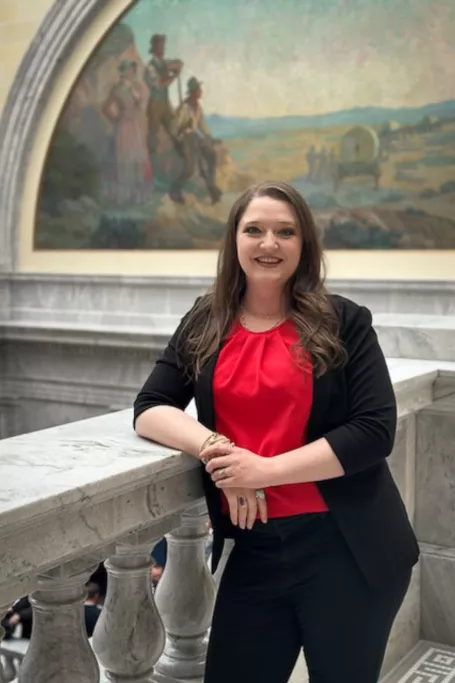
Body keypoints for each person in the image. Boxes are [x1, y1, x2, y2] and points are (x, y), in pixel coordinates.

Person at [133, 180, 419, 683]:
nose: (269, 243)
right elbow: (151, 406)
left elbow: (374, 431)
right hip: (255, 549)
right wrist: (218, 450)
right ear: (234, 241)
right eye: (255, 230)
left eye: (285, 232)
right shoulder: (206, 319)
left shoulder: (344, 321)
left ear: (304, 244)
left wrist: (263, 469)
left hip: (346, 549)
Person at [102, 60, 152, 205]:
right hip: (124, 127)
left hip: (135, 126)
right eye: (128, 70)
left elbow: (139, 104)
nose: (131, 72)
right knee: (125, 161)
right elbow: (105, 107)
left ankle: (136, 197)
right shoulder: (118, 88)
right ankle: (124, 197)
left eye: (132, 70)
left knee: (137, 159)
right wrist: (116, 119)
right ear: (123, 72)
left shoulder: (132, 88)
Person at [168, 76, 222, 205]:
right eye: (199, 89)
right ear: (193, 92)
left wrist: (210, 138)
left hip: (195, 138)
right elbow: (173, 127)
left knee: (211, 155)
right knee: (190, 167)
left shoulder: (198, 107)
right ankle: (175, 190)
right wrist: (182, 129)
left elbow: (202, 127)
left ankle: (212, 186)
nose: (201, 92)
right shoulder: (184, 108)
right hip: (185, 139)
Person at [144, 34, 183, 157]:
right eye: (160, 46)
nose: (163, 48)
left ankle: (179, 155)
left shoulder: (164, 63)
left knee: (173, 128)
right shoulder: (150, 67)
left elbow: (180, 63)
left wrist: (173, 66)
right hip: (155, 103)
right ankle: (152, 160)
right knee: (153, 134)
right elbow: (160, 84)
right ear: (154, 48)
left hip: (165, 102)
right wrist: (174, 76)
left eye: (163, 45)